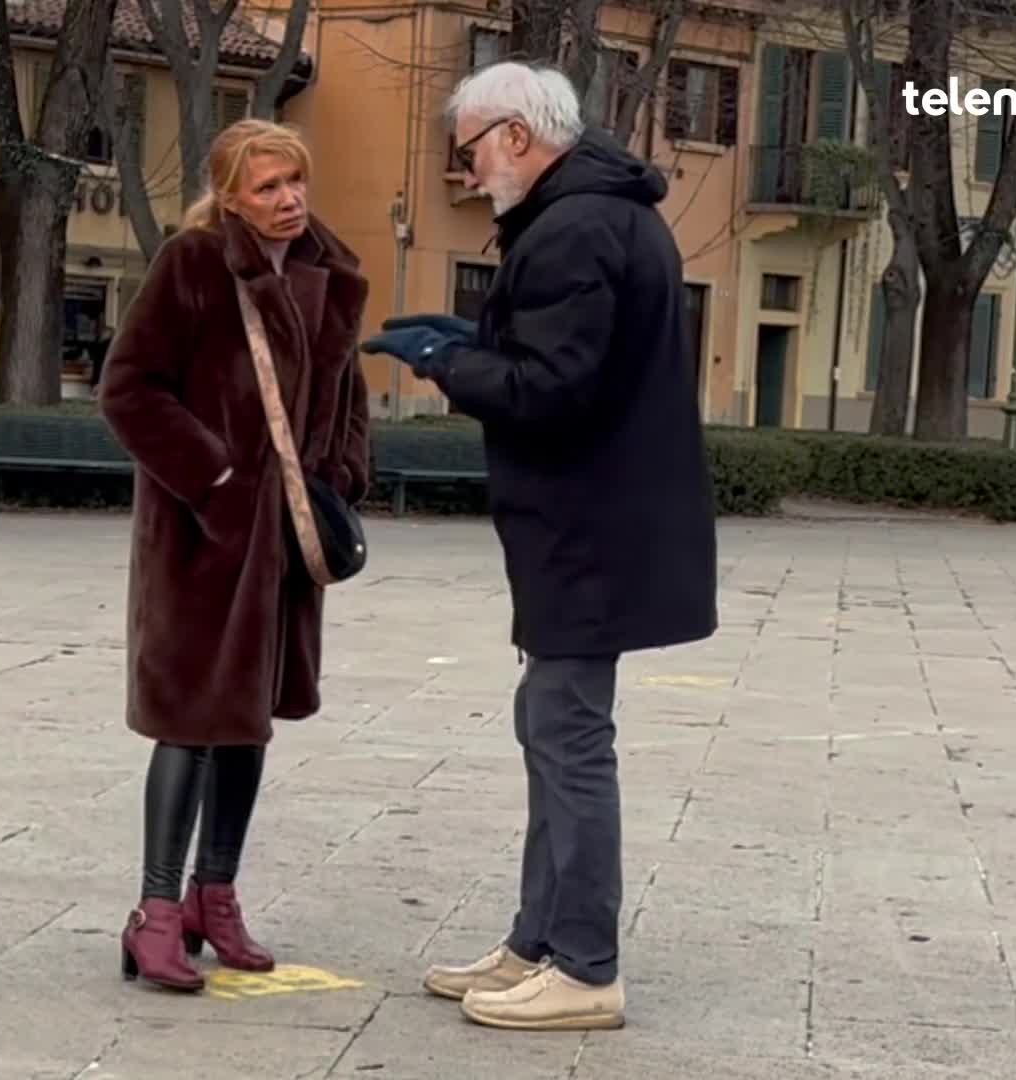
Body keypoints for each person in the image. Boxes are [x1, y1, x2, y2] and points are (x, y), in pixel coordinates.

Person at [361, 61, 718, 1031]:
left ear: (516, 135)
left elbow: (552, 389)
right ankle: (538, 941)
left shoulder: (574, 226)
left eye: (471, 151)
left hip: (589, 527)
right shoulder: (601, 213)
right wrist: (474, 345)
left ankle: (586, 968)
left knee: (568, 736)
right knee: (549, 723)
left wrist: (451, 366)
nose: (468, 171)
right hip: (596, 522)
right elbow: (560, 359)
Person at [97, 118, 373, 993]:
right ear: (228, 196)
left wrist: (341, 477)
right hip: (201, 537)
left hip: (285, 538)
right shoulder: (194, 263)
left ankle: (214, 898)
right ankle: (154, 912)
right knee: (191, 718)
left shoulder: (330, 270)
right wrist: (215, 479)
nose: (290, 199)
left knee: (249, 716)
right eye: (268, 186)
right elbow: (128, 388)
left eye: (296, 180)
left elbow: (348, 394)